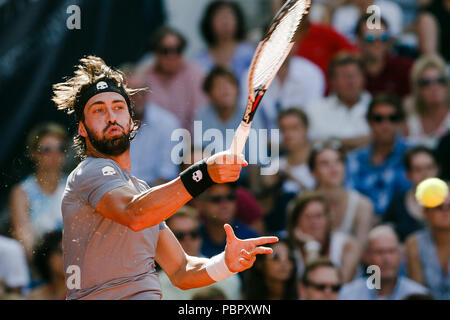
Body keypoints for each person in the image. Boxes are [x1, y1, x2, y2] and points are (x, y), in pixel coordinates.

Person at [52, 55, 278, 300]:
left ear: (131, 121)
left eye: (118, 107)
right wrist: (204, 173)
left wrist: (225, 262)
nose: (111, 116)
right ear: (82, 128)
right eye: (98, 110)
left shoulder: (142, 192)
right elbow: (135, 214)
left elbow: (182, 271)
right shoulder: (90, 172)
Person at [346, 94, 413, 217]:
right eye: (378, 119)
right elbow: (349, 198)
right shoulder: (354, 159)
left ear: (401, 121)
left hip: (404, 224)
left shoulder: (413, 155)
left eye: (393, 118)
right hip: (363, 222)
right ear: (369, 122)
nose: (385, 125)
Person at [9, 123, 68, 260]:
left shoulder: (74, 186)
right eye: (47, 149)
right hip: (41, 270)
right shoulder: (22, 192)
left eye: (60, 148)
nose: (55, 154)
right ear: (33, 154)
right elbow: (26, 244)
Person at [158, 206, 242, 300]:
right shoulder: (158, 285)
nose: (188, 240)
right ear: (166, 240)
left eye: (194, 233)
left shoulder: (228, 277)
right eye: (179, 235)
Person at [239, 46, 326, 134]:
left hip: (301, 139)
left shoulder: (312, 74)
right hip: (263, 141)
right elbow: (246, 117)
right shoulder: (251, 76)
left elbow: (313, 116)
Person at [136, 26, 208, 132]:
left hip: (188, 143)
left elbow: (201, 116)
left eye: (177, 50)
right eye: (165, 51)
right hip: (153, 141)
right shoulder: (144, 76)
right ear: (155, 53)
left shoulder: (196, 75)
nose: (172, 56)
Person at [309, 139, 375, 247]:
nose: (333, 168)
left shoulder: (362, 205)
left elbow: (361, 249)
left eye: (338, 161)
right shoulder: (303, 205)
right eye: (324, 163)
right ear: (313, 172)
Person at [287, 192, 361, 283]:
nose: (313, 222)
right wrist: (311, 245)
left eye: (318, 216)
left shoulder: (347, 246)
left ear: (328, 219)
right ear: (296, 222)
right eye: (308, 216)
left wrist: (311, 246)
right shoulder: (288, 249)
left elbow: (338, 287)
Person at [125, 66, 181, 187]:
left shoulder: (167, 123)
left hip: (154, 194)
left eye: (143, 92)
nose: (138, 98)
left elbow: (167, 175)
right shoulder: (109, 124)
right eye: (132, 93)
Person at [339, 225, 429, 300]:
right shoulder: (348, 295)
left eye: (391, 251)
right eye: (379, 252)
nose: (386, 259)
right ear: (367, 257)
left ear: (401, 256)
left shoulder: (418, 295)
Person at [262, 109, 315, 233]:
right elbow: (264, 209)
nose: (288, 134)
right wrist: (271, 187)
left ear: (306, 129)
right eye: (284, 129)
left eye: (294, 128)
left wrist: (291, 177)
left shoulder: (320, 162)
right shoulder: (275, 164)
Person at [384, 146, 438, 242]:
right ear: (408, 174)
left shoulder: (447, 198)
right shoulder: (397, 203)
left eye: (429, 168)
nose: (425, 174)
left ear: (437, 169)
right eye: (418, 169)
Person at [405, 187, 450, 300]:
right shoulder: (414, 243)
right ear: (425, 212)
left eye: (449, 207)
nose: (445, 212)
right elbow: (417, 291)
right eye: (439, 207)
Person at [355, 13, 413, 99]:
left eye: (383, 38)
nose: (378, 44)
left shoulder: (405, 69)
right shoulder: (351, 72)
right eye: (370, 38)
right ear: (359, 41)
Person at [196, 0, 254, 84]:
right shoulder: (200, 60)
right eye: (220, 18)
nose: (225, 22)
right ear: (209, 22)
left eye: (229, 17)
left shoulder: (249, 53)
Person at [198, 183, 260, 258]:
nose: (224, 204)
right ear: (201, 204)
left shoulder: (250, 239)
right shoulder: (190, 236)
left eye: (230, 197)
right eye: (216, 199)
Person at [405, 54, 450, 149]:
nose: (434, 87)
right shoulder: (410, 124)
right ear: (418, 89)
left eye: (440, 80)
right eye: (426, 83)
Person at [332, 0, 404, 44]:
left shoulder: (391, 9)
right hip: (351, 55)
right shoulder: (342, 13)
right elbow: (338, 41)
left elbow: (394, 39)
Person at [27, 231, 66, 300]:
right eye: (62, 252)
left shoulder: (86, 294)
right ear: (48, 257)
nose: (70, 257)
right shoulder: (35, 296)